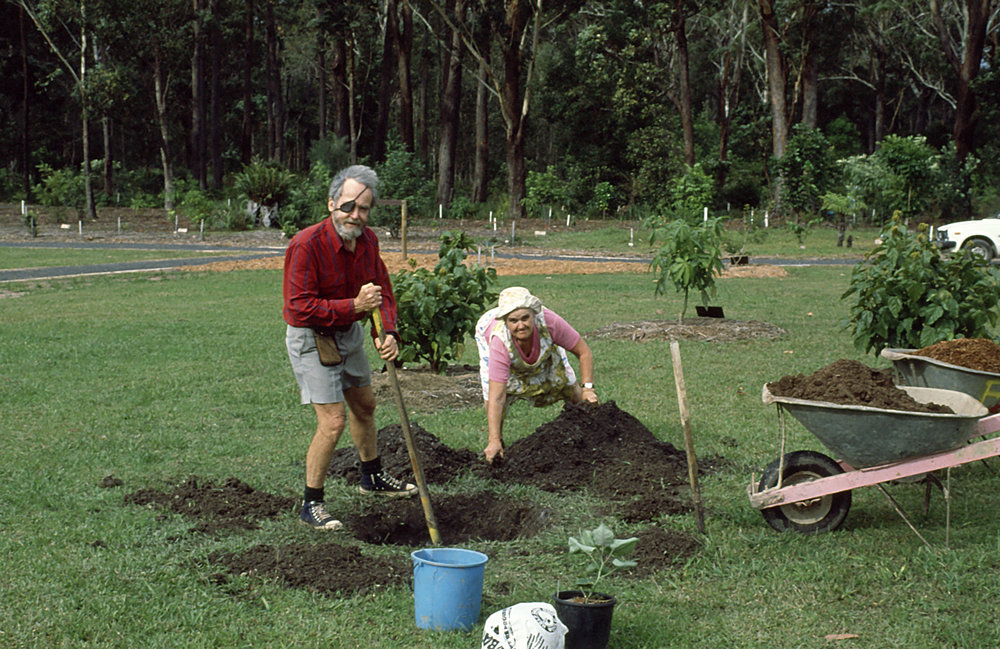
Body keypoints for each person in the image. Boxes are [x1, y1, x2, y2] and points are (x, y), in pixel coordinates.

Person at [283, 164, 416, 531]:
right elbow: (297, 307)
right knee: (333, 422)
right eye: (348, 207)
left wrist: (387, 332)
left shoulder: (368, 241)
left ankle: (371, 477)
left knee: (365, 405)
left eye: (363, 209)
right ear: (331, 204)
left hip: (349, 332)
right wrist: (353, 307)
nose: (355, 216)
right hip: (312, 336)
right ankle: (312, 504)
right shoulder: (306, 244)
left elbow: (382, 290)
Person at [474, 286, 599, 463]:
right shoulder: (499, 341)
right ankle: (497, 444)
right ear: (506, 321)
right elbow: (497, 396)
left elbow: (584, 352)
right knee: (492, 395)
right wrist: (493, 439)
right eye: (514, 321)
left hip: (544, 348)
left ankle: (593, 435)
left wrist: (588, 389)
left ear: (534, 314)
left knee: (570, 386)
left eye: (525, 318)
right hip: (493, 341)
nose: (521, 325)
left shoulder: (550, 322)